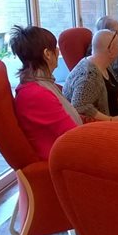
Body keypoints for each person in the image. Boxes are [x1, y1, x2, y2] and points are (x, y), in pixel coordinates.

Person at [9, 25, 82, 160]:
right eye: (55, 48)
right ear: (48, 54)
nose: (58, 51)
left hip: (66, 152)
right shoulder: (36, 94)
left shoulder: (40, 84)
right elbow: (73, 136)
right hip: (64, 162)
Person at [63, 29, 118, 125]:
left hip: (111, 111)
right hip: (100, 120)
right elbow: (80, 107)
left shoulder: (104, 64)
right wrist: (110, 119)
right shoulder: (88, 76)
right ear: (110, 50)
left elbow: (109, 88)